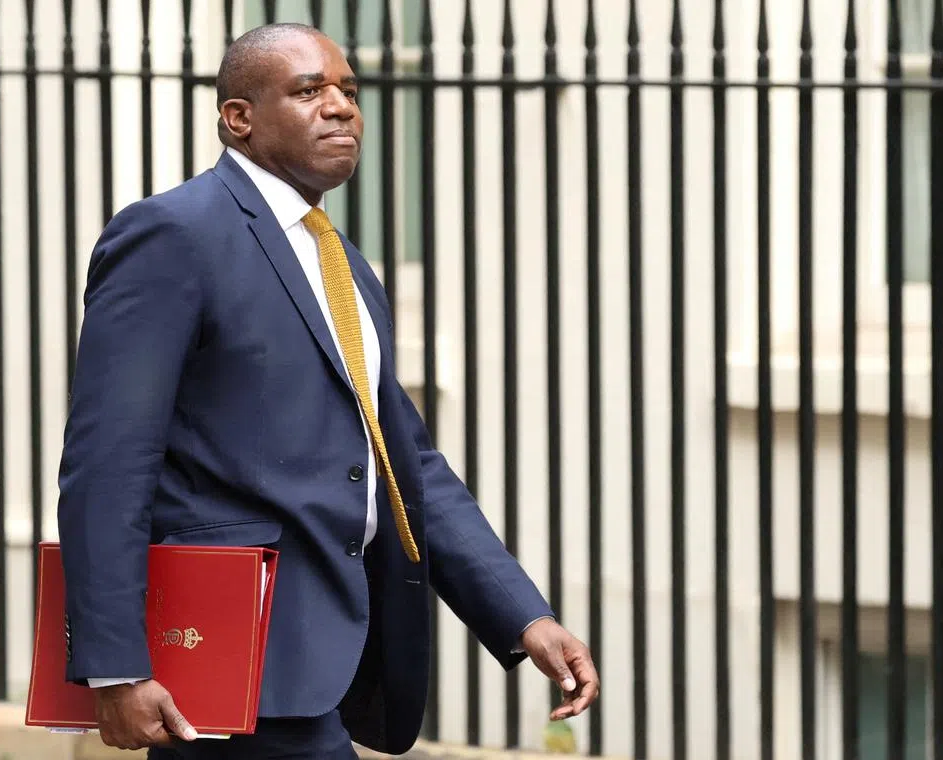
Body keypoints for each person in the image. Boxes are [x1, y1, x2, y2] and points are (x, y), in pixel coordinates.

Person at [56, 22, 599, 760]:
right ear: (239, 118)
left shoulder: (340, 262)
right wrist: (116, 665)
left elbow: (404, 464)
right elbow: (109, 460)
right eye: (309, 90)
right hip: (226, 657)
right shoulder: (173, 234)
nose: (341, 106)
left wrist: (523, 618)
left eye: (348, 89)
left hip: (332, 653)